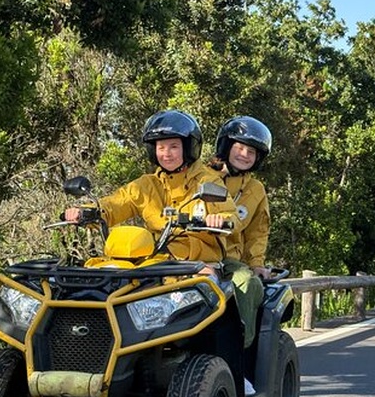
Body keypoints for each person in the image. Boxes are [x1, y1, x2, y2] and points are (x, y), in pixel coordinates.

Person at [64, 109, 238, 272]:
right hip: (156, 258)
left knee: (205, 285)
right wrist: (85, 212)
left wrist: (218, 219)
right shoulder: (147, 185)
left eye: (174, 147)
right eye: (161, 148)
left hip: (198, 262)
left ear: (188, 148)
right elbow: (115, 203)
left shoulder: (207, 180)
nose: (166, 153)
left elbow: (231, 215)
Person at [208, 116, 272, 357]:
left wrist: (256, 264)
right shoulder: (204, 175)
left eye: (252, 151)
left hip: (228, 260)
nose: (245, 154)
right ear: (226, 146)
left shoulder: (255, 190)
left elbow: (258, 231)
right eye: (240, 147)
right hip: (191, 254)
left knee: (246, 282)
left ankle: (240, 354)